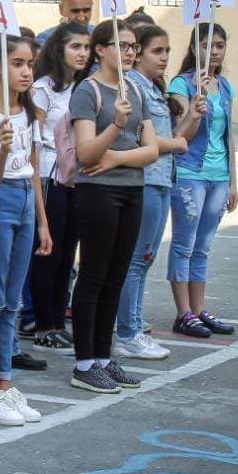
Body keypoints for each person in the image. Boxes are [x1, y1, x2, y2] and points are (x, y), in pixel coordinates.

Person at [67, 21, 159, 393]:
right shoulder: (87, 91)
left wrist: (118, 159)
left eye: (133, 46)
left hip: (130, 188)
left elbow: (152, 150)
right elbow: (86, 152)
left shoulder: (135, 88)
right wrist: (116, 126)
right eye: (121, 45)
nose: (130, 52)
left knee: (117, 275)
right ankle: (84, 363)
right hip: (97, 191)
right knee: (93, 274)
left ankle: (105, 357)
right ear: (100, 49)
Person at [0, 35, 51, 426]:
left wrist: (44, 223)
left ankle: (5, 380)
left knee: (14, 298)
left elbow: (33, 171)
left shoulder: (30, 113)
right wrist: (1, 148)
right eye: (17, 63)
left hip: (24, 202)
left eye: (30, 64)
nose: (26, 71)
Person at [114, 25, 188, 359]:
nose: (164, 58)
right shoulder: (132, 87)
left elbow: (177, 139)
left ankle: (134, 324)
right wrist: (175, 143)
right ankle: (128, 332)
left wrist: (194, 115)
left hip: (161, 179)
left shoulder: (155, 91)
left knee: (144, 259)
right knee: (136, 259)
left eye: (167, 51)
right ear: (140, 52)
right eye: (157, 51)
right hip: (145, 179)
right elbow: (151, 141)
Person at [167, 23, 238, 338]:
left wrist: (234, 180)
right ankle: (183, 312)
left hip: (218, 175)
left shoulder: (226, 87)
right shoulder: (181, 85)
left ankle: (199, 309)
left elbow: (229, 135)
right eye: (208, 46)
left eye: (220, 46)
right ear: (195, 49)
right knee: (184, 243)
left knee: (204, 246)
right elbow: (182, 131)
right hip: (189, 173)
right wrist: (197, 99)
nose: (214, 52)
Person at [28, 22, 90, 351]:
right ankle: (43, 325)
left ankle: (57, 319)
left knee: (68, 254)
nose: (83, 53)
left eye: (86, 47)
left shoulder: (83, 86)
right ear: (59, 49)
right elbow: (35, 142)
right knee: (48, 253)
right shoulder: (43, 88)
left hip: (77, 176)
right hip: (50, 177)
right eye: (75, 46)